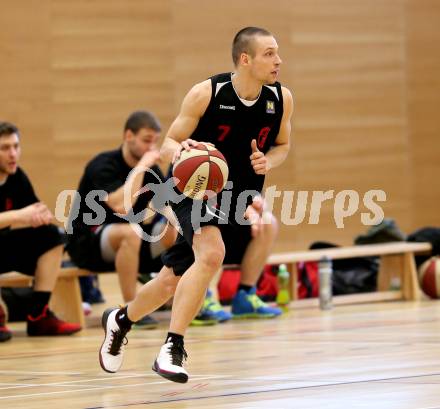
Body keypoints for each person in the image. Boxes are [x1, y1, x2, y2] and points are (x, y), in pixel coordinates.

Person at [98, 26, 293, 383]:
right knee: (212, 254)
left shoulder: (281, 99)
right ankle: (172, 347)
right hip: (193, 190)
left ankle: (120, 320)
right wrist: (183, 150)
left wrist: (271, 162)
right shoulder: (207, 93)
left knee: (172, 279)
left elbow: (281, 145)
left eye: (278, 52)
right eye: (269, 53)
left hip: (238, 198)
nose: (278, 60)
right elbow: (170, 143)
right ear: (245, 59)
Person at [67, 111, 176, 329]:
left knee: (178, 227)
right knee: (131, 231)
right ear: (128, 136)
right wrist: (142, 167)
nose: (151, 148)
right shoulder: (102, 165)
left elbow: (169, 205)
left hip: (132, 242)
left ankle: (179, 298)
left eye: (155, 142)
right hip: (88, 242)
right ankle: (131, 310)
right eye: (146, 140)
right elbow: (120, 205)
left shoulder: (151, 170)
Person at [0, 121, 82, 341]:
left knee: (53, 237)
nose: (13, 153)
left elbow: (34, 210)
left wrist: (41, 216)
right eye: (5, 148)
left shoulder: (17, 177)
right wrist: (20, 215)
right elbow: (22, 214)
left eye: (16, 146)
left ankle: (39, 315)